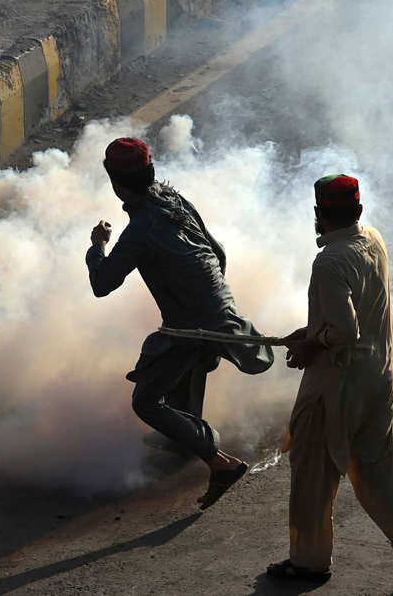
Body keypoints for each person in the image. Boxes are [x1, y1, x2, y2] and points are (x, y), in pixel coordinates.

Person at [86, 137, 274, 510]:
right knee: (181, 354)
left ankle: (218, 460)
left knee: (146, 401)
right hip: (220, 310)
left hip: (195, 323)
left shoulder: (139, 231)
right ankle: (181, 438)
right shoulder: (173, 199)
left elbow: (102, 284)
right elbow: (217, 253)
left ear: (116, 183)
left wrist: (97, 246)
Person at [267, 175, 393, 586]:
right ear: (358, 212)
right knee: (379, 463)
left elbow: (343, 332)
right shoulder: (372, 239)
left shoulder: (329, 261)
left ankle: (309, 561)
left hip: (336, 386)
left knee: (311, 471)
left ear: (319, 215)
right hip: (378, 376)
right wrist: (311, 331)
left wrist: (310, 344)